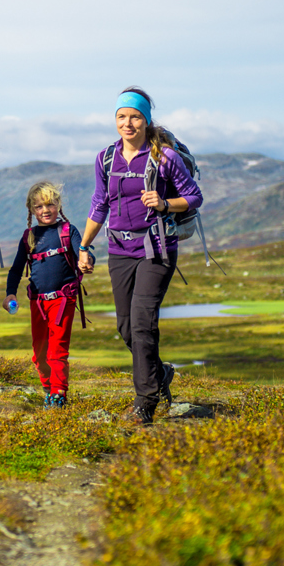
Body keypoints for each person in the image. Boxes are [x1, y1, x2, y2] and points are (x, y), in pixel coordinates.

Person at [78, 87, 203, 425]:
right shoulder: (106, 158)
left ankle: (144, 403)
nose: (128, 123)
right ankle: (159, 373)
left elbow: (194, 197)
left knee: (143, 323)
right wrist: (84, 246)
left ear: (146, 121)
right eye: (121, 116)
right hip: (118, 251)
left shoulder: (164, 157)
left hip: (157, 248)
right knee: (126, 327)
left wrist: (164, 204)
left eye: (135, 117)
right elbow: (99, 204)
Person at [2, 181, 92, 407]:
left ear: (58, 205)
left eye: (50, 204)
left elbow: (84, 253)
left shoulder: (68, 230)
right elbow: (15, 269)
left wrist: (86, 261)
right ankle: (48, 388)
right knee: (39, 355)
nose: (45, 210)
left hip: (64, 299)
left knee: (57, 350)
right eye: (39, 206)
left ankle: (59, 393)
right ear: (32, 210)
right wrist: (10, 294)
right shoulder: (28, 237)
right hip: (38, 303)